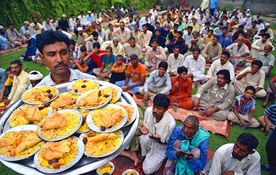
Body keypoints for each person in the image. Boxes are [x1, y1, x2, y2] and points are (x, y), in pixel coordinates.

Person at [139, 94, 176, 174]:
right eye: (154, 106)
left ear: (166, 109)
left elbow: (168, 144)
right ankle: (144, 154)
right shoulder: (149, 111)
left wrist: (159, 140)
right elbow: (146, 129)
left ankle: (156, 157)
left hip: (160, 146)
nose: (155, 110)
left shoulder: (171, 124)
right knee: (143, 139)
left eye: (159, 109)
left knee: (147, 170)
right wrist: (145, 131)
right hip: (149, 138)